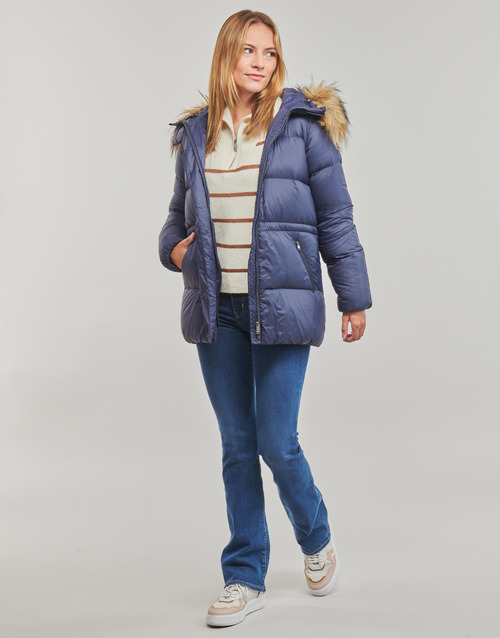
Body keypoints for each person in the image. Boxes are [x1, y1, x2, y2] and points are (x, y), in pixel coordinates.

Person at [158, 9, 372, 628]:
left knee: (277, 443)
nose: (259, 62)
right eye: (248, 50)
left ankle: (316, 535)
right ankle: (244, 574)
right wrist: (176, 251)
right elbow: (175, 221)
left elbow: (336, 218)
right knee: (237, 445)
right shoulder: (195, 135)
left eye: (270, 52)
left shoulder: (302, 127)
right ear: (227, 55)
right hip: (217, 308)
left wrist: (353, 296)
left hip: (281, 301)